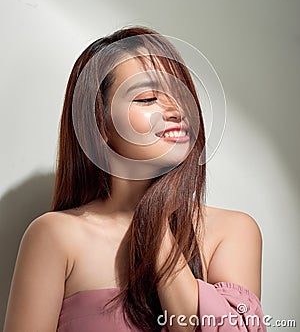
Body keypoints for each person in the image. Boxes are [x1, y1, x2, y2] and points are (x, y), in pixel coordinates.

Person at [3, 26, 267, 332]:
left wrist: (154, 219)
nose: (176, 109)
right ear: (99, 124)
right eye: (147, 98)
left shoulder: (231, 231)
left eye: (182, 95)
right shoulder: (55, 236)